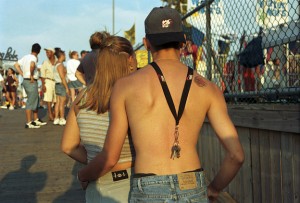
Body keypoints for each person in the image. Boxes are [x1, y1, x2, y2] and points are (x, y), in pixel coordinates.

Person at [77, 7, 244, 202]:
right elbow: (236, 155)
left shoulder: (125, 86)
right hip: (192, 183)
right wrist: (214, 189)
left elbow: (110, 155)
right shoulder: (209, 88)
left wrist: (83, 175)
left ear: (146, 44)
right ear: (182, 42)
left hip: (149, 185)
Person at [61, 35, 137, 203]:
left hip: (97, 187)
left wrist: (91, 163)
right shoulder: (133, 95)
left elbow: (68, 146)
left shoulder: (83, 96)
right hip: (131, 184)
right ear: (130, 60)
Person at [14, 43, 47, 128]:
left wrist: (22, 74)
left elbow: (16, 65)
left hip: (26, 80)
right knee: (30, 101)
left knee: (35, 99)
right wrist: (31, 75)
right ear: (39, 51)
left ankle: (35, 120)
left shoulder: (25, 57)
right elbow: (32, 65)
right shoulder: (34, 58)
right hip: (31, 81)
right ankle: (29, 122)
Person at [53, 48, 69, 126]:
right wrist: (66, 87)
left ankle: (56, 118)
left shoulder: (56, 64)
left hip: (57, 84)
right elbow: (62, 77)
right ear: (62, 55)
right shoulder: (60, 65)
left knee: (58, 102)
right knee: (62, 103)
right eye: (64, 55)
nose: (65, 57)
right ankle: (62, 118)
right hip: (61, 84)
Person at [40, 48, 57, 121]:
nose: (47, 54)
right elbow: (42, 74)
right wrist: (43, 85)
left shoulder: (57, 61)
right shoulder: (45, 62)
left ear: (53, 53)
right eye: (46, 53)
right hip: (48, 80)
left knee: (56, 99)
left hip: (56, 81)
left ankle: (55, 112)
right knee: (48, 98)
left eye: (48, 52)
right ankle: (50, 114)